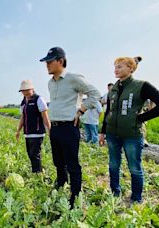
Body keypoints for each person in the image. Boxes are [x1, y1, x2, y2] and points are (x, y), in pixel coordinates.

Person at [99, 56, 159, 203]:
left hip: (132, 135)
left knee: (134, 167)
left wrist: (141, 118)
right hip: (113, 134)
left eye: (120, 66)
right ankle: (115, 192)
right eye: (115, 66)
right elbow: (109, 111)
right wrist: (103, 131)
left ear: (131, 68)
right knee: (113, 164)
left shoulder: (141, 85)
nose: (116, 69)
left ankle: (136, 198)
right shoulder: (113, 88)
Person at [39, 47, 101, 208]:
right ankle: (61, 183)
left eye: (50, 61)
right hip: (55, 127)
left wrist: (81, 110)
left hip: (69, 126)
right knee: (58, 161)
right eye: (46, 62)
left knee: (72, 163)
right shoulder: (50, 83)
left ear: (60, 61)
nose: (47, 65)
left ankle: (75, 194)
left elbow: (95, 93)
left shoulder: (73, 78)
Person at [16, 80, 51, 173]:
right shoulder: (24, 102)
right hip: (27, 133)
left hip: (37, 132)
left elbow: (45, 116)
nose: (25, 92)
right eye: (23, 91)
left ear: (32, 89)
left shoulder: (38, 99)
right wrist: (18, 130)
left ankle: (38, 173)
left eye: (27, 90)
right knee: (30, 154)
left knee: (35, 154)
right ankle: (36, 171)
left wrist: (50, 130)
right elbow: (23, 117)